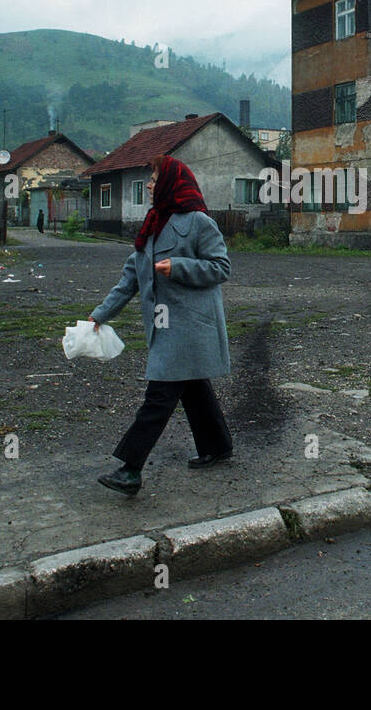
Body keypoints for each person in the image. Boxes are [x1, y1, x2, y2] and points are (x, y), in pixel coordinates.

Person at [87, 155, 233, 496]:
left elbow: (221, 268)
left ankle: (130, 469)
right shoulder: (152, 225)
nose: (150, 185)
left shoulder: (198, 222)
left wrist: (178, 266)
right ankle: (217, 445)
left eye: (154, 178)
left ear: (170, 182)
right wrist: (99, 316)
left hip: (189, 327)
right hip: (165, 325)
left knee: (159, 396)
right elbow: (129, 281)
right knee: (193, 387)